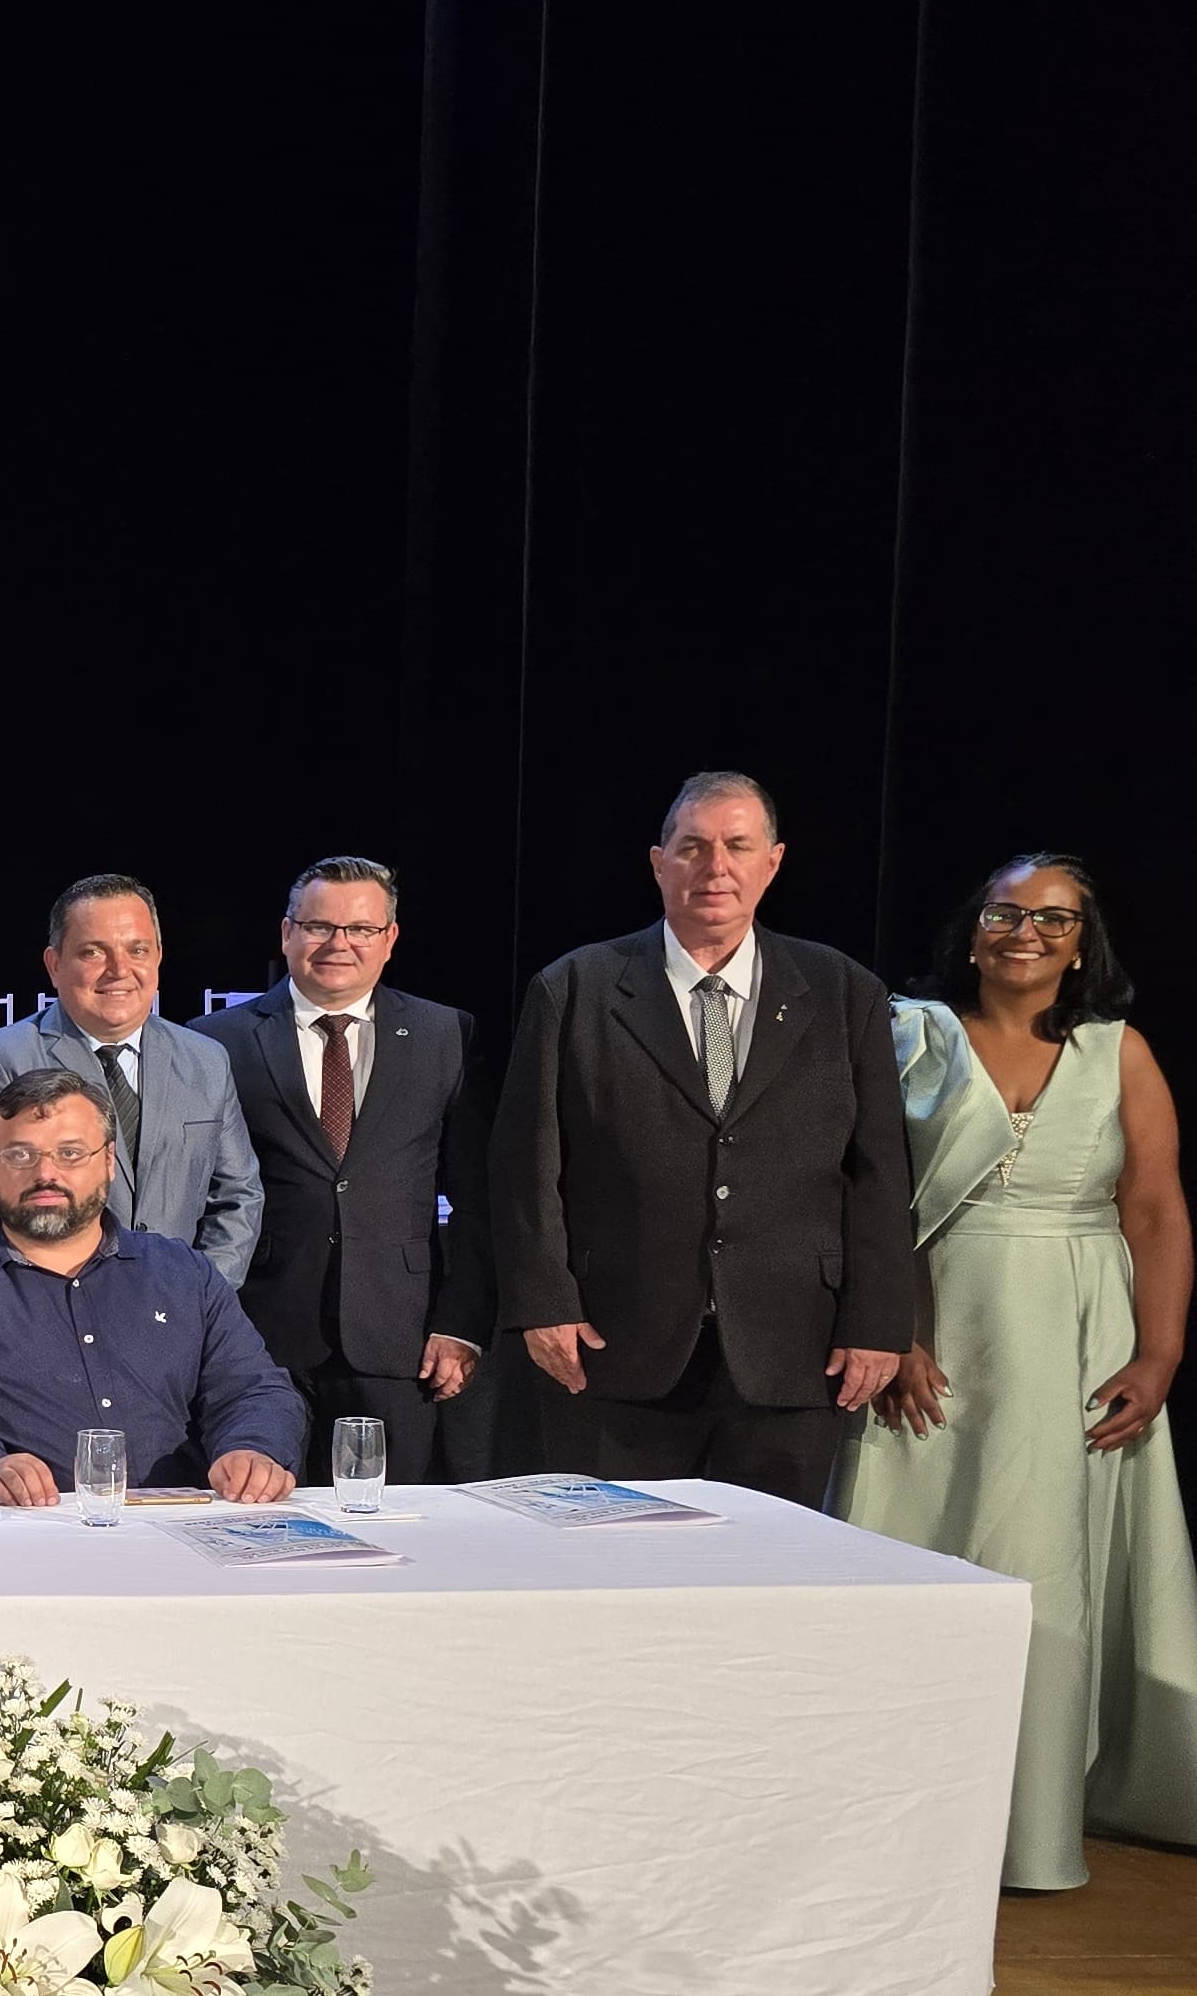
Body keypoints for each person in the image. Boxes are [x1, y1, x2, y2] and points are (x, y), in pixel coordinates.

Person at [840, 859, 1197, 1891]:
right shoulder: (910, 1036)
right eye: (1005, 912)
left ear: (1081, 942)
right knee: (911, 1556)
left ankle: (1028, 1828)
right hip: (929, 1328)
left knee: (1042, 1568)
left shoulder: (1115, 1051)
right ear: (972, 930)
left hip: (1073, 1335)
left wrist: (1160, 1351)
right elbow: (869, 1198)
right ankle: (887, 1818)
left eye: (1052, 918)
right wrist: (892, 1328)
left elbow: (1157, 1209)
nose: (1025, 932)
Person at [493, 771, 913, 1503]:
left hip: (793, 1350)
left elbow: (879, 1172)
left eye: (737, 846)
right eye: (693, 847)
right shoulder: (575, 987)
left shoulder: (845, 991)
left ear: (772, 862)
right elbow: (527, 1162)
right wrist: (544, 1301)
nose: (715, 867)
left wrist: (878, 1322)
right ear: (659, 862)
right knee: (621, 1578)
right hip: (613, 1345)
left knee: (769, 1583)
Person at [0, 1066, 304, 1504]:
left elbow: (254, 1388)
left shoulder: (182, 1272)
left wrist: (253, 1450)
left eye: (70, 1153)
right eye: (20, 1155)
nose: (45, 1174)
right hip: (21, 1529)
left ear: (109, 1161)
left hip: (174, 1522)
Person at [191, 860, 495, 1484]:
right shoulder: (216, 1040)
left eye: (360, 928)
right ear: (286, 934)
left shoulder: (446, 1035)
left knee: (395, 1531)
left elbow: (477, 1198)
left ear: (390, 938)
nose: (339, 944)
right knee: (257, 1524)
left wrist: (460, 1324)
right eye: (320, 926)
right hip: (260, 1334)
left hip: (403, 1340)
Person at [0, 875, 262, 1288]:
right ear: (54, 964)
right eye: (93, 952)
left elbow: (238, 1198)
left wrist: (201, 1296)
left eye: (137, 950)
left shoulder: (205, 1059)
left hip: (181, 1314)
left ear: (158, 958)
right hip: (51, 1313)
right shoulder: (0, 1059)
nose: (119, 970)